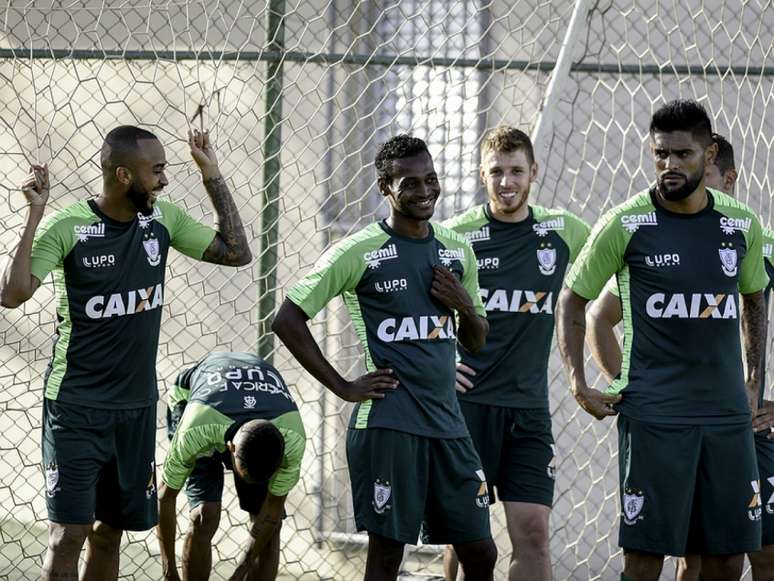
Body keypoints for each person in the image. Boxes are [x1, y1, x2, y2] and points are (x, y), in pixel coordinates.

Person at [0, 125, 251, 581]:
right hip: (75, 407)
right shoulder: (69, 226)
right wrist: (35, 214)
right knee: (68, 535)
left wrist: (212, 174)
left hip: (135, 410)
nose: (164, 180)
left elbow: (237, 252)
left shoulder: (162, 221)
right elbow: (12, 295)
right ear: (122, 175)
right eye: (156, 171)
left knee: (109, 532)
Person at [556, 100, 768, 581]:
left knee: (727, 558)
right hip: (655, 415)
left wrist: (753, 379)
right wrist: (579, 383)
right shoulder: (627, 223)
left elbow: (755, 298)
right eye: (659, 154)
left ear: (709, 153)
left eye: (682, 154)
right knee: (646, 558)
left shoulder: (740, 224)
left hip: (726, 415)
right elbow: (572, 300)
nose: (669, 165)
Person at [271, 134, 497, 581]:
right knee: (388, 555)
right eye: (409, 183)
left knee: (481, 552)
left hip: (448, 424)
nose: (424, 190)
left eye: (430, 179)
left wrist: (463, 305)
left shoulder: (456, 250)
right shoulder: (360, 250)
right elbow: (287, 320)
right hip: (389, 425)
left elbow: (476, 341)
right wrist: (345, 386)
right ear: (384, 187)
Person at [442, 126, 590, 581]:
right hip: (468, 408)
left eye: (516, 172)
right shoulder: (455, 236)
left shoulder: (564, 231)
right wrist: (442, 366)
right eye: (497, 172)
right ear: (481, 175)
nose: (507, 182)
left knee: (534, 533)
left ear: (534, 173)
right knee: (467, 539)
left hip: (528, 409)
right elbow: (416, 306)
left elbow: (612, 280)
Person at [157, 351, 306, 581]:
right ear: (231, 449)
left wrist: (241, 570)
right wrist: (169, 571)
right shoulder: (196, 429)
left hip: (244, 413)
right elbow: (166, 496)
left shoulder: (292, 437)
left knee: (268, 525)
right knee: (204, 514)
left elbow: (273, 508)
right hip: (196, 402)